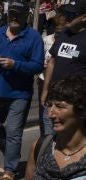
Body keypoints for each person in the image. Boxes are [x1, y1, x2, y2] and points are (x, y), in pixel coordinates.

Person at [0, 0, 44, 180]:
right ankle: (11, 153)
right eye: (11, 14)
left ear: (26, 16)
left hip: (20, 94)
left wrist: (15, 65)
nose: (14, 17)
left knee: (14, 131)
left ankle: (10, 169)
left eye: (18, 14)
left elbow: (37, 65)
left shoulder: (33, 37)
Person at [41, 0, 86, 134]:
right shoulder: (64, 34)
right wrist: (45, 90)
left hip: (75, 102)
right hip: (54, 97)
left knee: (73, 138)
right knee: (50, 137)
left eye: (72, 14)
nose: (67, 17)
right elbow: (52, 62)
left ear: (84, 17)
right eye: (66, 13)